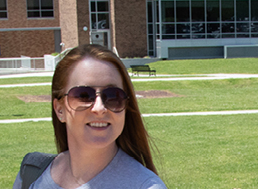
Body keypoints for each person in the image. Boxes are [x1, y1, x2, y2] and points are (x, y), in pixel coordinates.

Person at [14, 44, 164, 189]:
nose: (100, 108)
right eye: (84, 95)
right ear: (59, 109)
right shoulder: (31, 173)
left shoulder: (146, 186)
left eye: (113, 96)